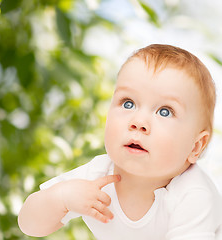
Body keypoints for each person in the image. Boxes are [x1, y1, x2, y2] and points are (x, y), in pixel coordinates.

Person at [18, 44, 222, 239]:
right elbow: (29, 225)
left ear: (195, 147)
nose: (138, 122)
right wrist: (61, 197)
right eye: (128, 103)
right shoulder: (98, 174)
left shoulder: (193, 195)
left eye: (164, 112)